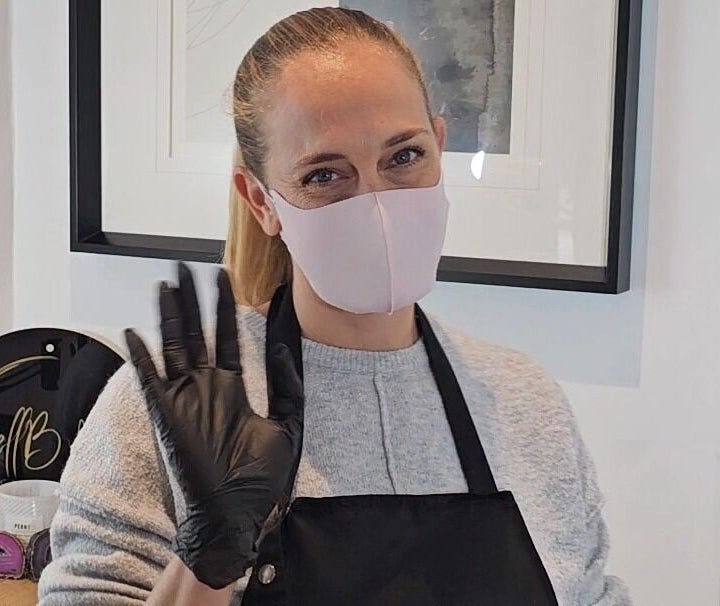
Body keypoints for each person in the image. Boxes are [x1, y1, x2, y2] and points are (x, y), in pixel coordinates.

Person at [37, 7, 631, 605]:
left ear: (440, 147)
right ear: (261, 200)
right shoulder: (179, 413)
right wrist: (207, 560)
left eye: (404, 156)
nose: (376, 203)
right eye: (325, 175)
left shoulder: (525, 403)